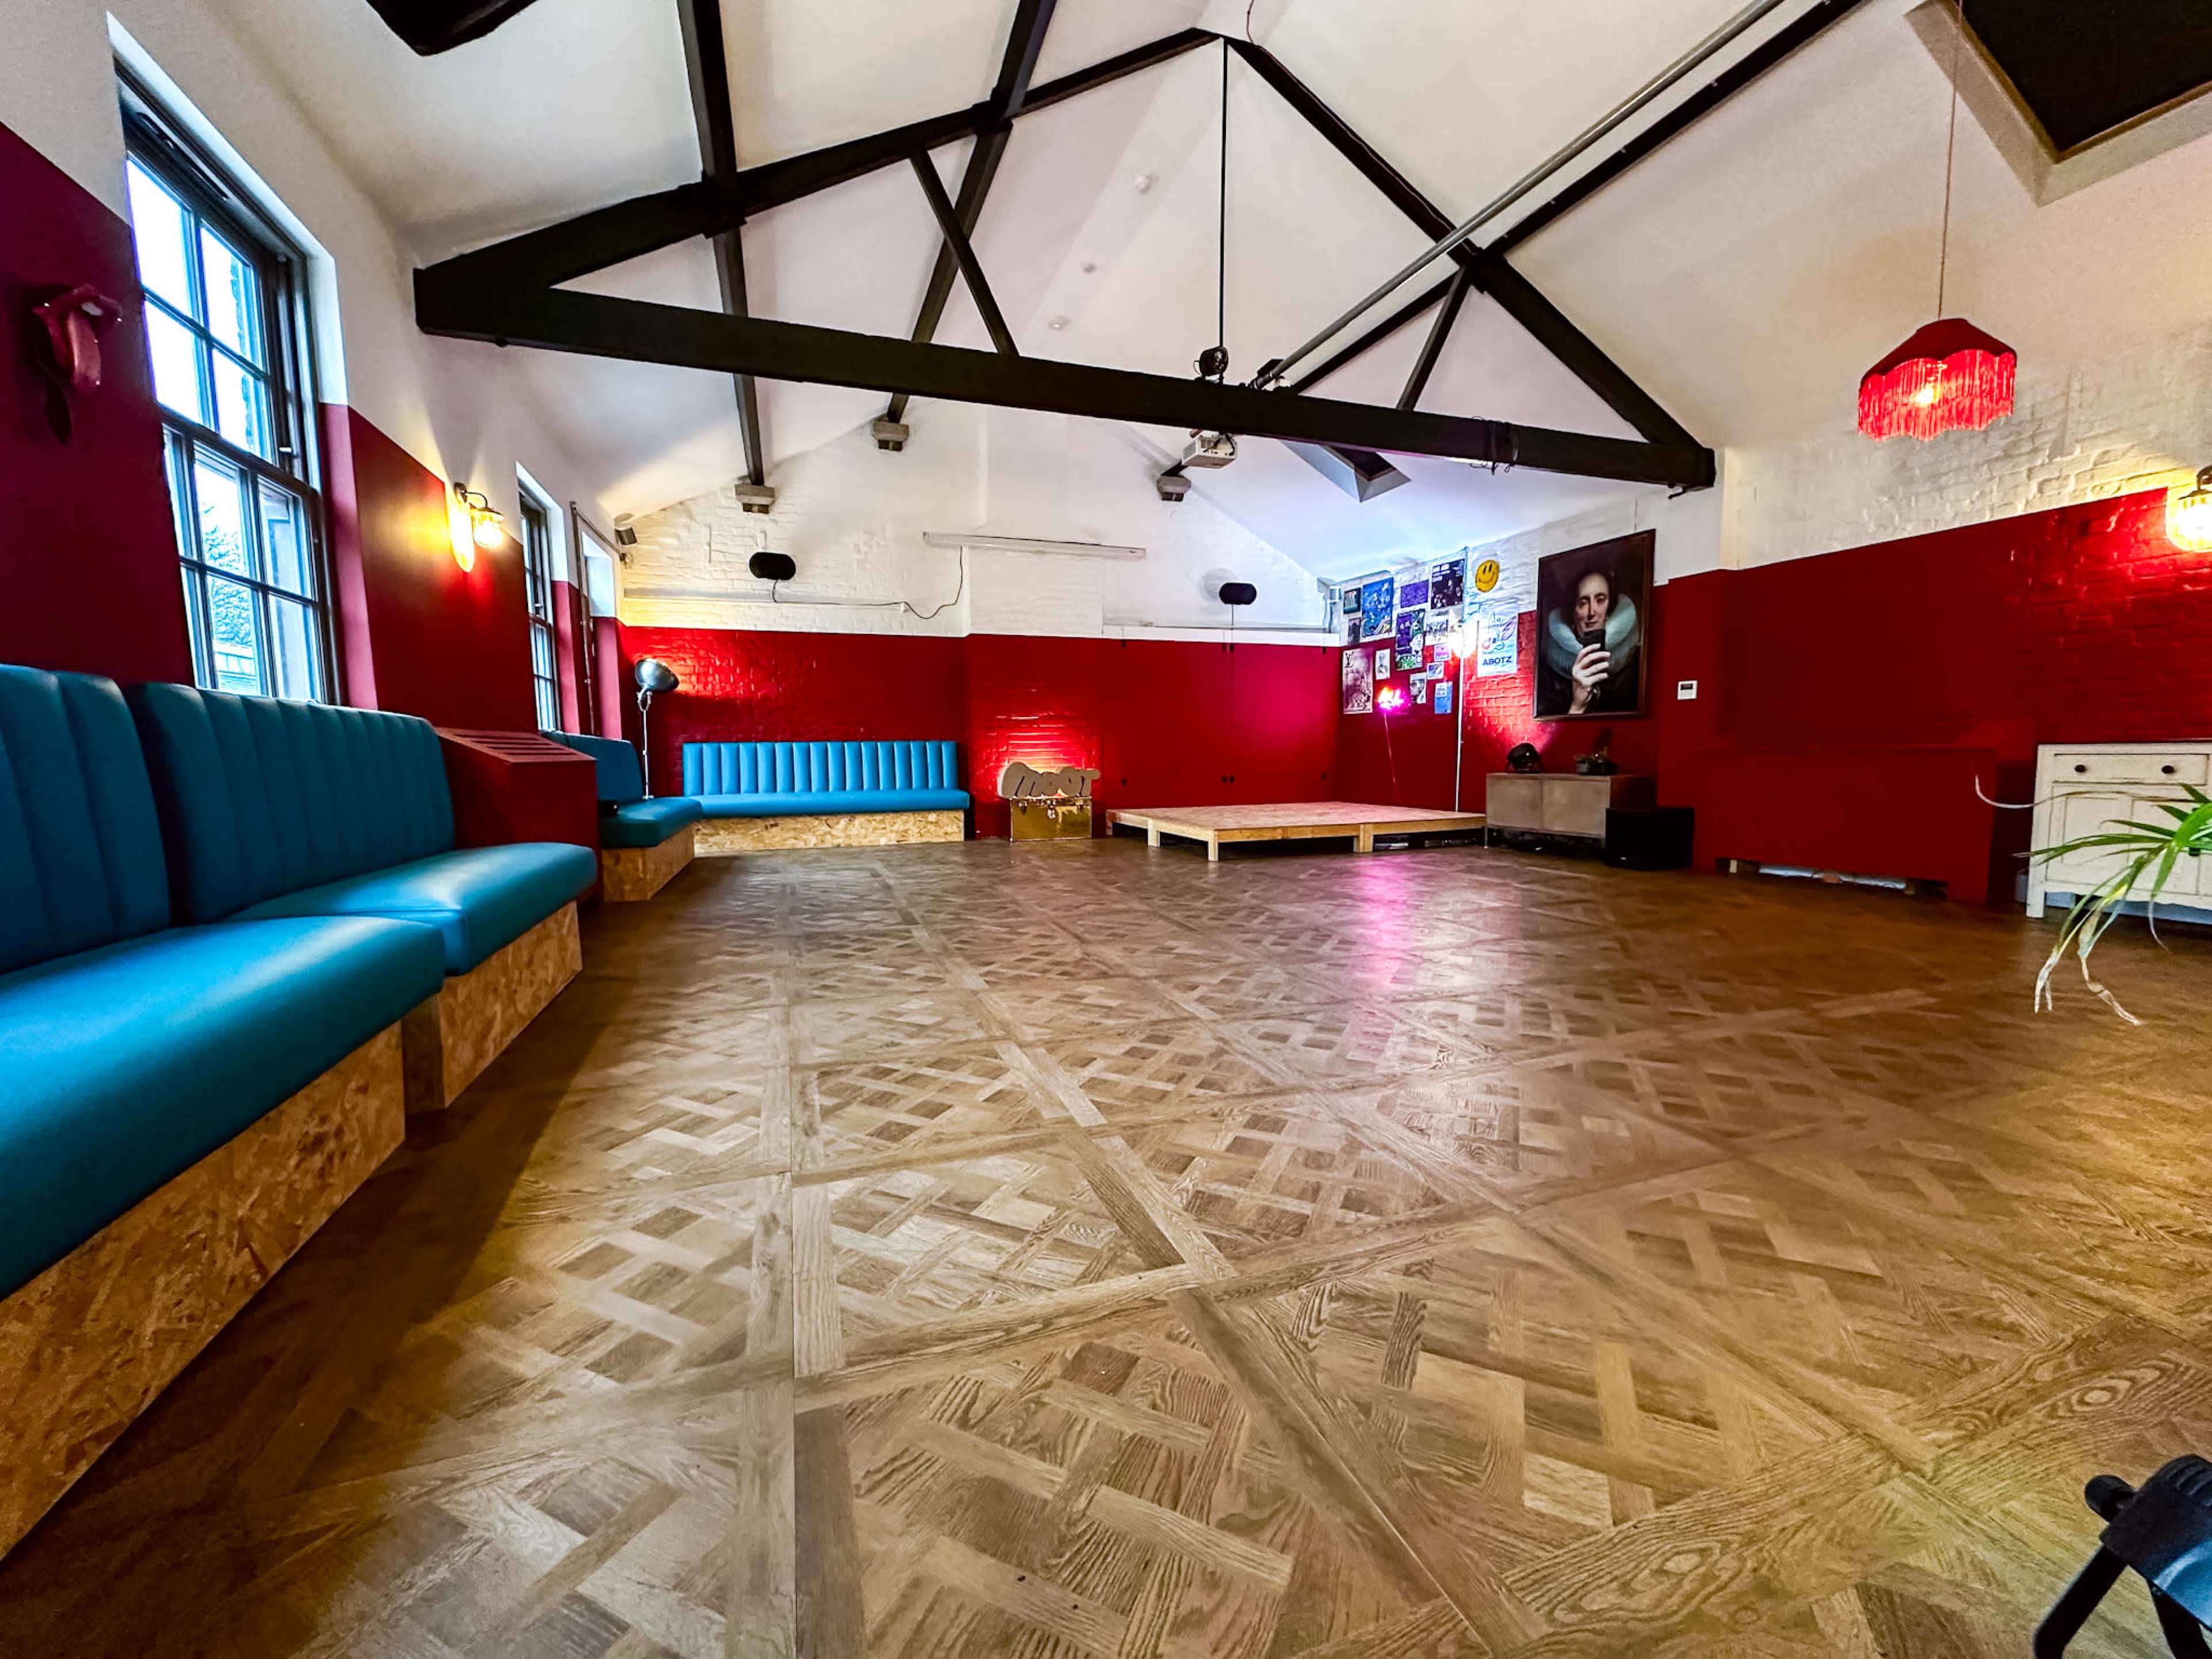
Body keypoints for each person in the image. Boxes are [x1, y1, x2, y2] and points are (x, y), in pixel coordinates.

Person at [1538, 567, 1641, 717]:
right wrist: (1577, 705)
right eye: (1583, 603)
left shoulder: (1635, 665)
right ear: (1572, 612)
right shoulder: (1549, 674)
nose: (1592, 612)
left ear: (1610, 609)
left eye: (1600, 600)